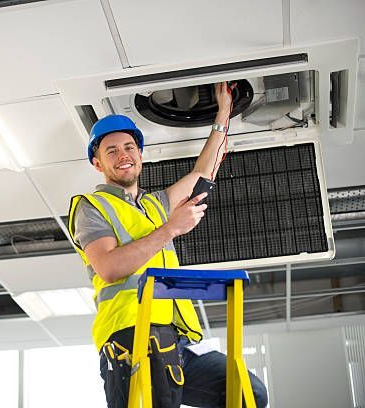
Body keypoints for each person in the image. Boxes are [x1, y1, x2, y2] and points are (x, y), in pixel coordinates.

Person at [67, 82, 268, 408]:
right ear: (98, 164)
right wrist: (170, 230)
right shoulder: (92, 207)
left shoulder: (156, 206)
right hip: (129, 337)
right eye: (112, 151)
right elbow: (109, 268)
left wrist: (224, 114)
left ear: (140, 155)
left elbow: (205, 171)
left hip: (172, 339)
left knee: (247, 393)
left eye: (130, 148)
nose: (124, 156)